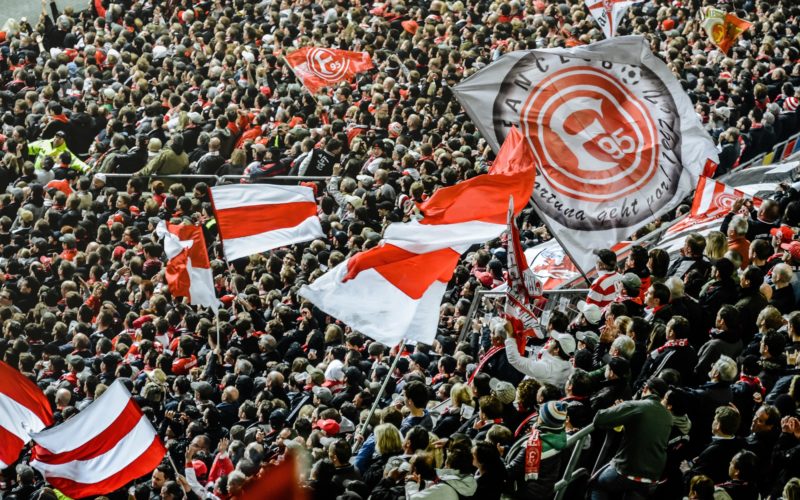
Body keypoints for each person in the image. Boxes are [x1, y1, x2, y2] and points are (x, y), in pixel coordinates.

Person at [590, 377, 672, 500]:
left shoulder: (637, 405)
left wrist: (618, 409)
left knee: (597, 485)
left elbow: (599, 419)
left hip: (627, 469)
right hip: (651, 477)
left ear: (645, 389)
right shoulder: (668, 416)